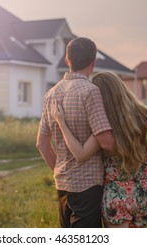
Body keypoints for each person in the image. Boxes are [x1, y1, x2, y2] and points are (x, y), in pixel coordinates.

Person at [52, 71, 147, 228]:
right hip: (142, 192)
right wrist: (137, 157)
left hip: (115, 194)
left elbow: (80, 154)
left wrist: (61, 123)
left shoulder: (105, 126)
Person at [36, 37, 115, 228]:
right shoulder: (91, 92)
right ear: (93, 62)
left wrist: (62, 171)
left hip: (62, 184)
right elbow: (107, 143)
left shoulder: (50, 95)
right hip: (88, 185)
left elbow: (42, 144)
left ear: (66, 60)